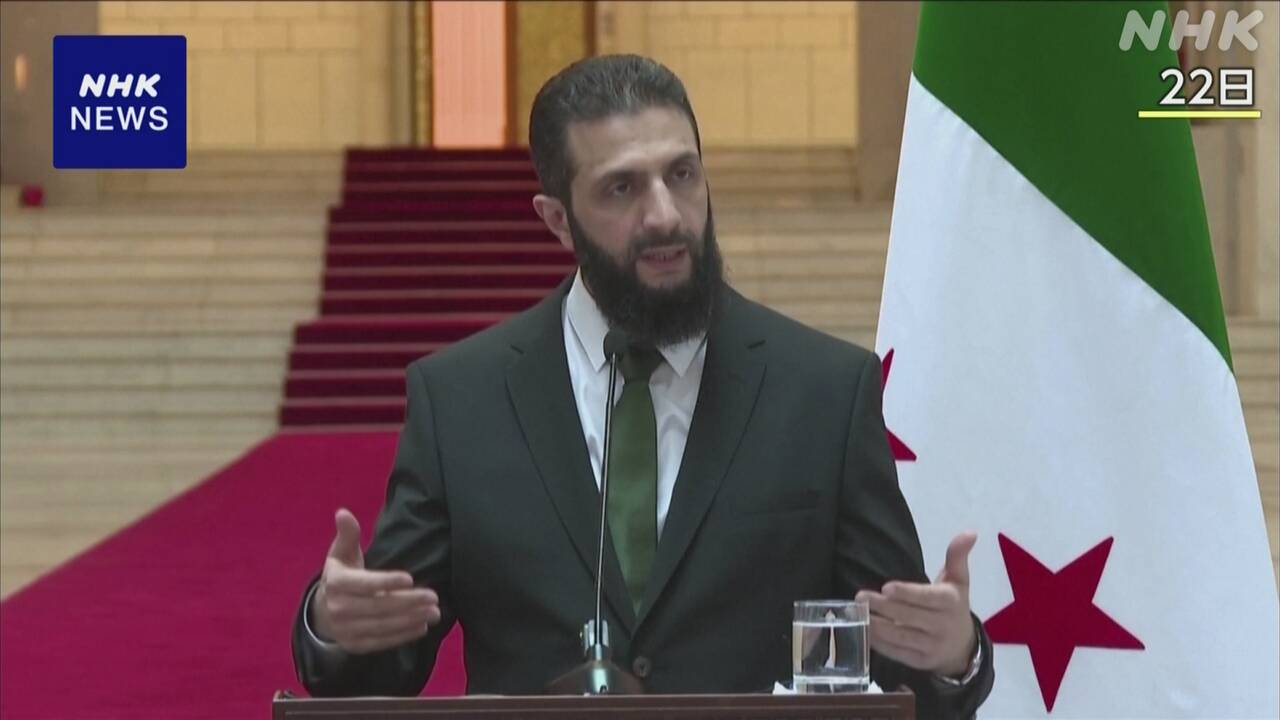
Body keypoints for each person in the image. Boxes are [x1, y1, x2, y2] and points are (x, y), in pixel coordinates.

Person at [292, 54, 993, 717]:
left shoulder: (825, 392)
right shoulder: (461, 401)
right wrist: (335, 625)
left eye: (681, 174)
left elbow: (900, 675)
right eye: (621, 188)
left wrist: (951, 656)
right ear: (557, 220)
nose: (664, 215)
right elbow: (381, 665)